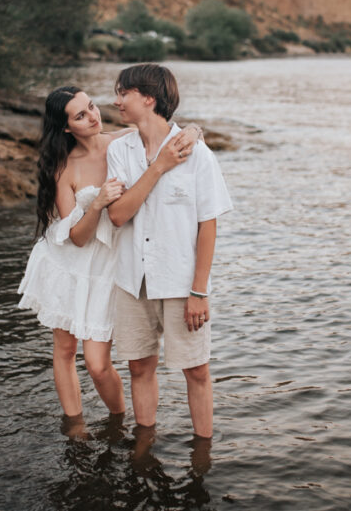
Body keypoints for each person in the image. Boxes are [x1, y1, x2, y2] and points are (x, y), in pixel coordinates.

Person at [17, 85, 201, 437]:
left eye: (92, 107)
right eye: (81, 115)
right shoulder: (63, 169)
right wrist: (98, 202)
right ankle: (75, 426)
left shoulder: (125, 139)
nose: (94, 116)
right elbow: (78, 237)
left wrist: (193, 131)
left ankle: (118, 421)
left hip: (111, 264)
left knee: (99, 365)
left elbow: (169, 132)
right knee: (66, 348)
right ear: (66, 127)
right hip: (71, 263)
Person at [106, 64, 233, 440]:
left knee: (196, 370)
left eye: (123, 93)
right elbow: (117, 216)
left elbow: (207, 225)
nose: (116, 101)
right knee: (139, 368)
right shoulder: (119, 151)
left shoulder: (199, 155)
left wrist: (199, 290)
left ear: (148, 98)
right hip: (133, 280)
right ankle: (144, 445)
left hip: (181, 284)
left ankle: (202, 452)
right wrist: (159, 167)